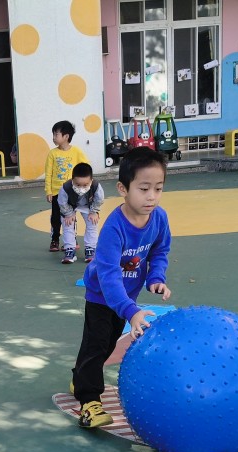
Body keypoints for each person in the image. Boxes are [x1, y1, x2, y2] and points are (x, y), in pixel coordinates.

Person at [69, 147, 171, 429]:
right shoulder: (114, 228)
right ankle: (89, 401)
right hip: (102, 295)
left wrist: (155, 277)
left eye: (158, 188)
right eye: (144, 189)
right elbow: (109, 275)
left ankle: (81, 377)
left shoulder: (159, 218)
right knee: (96, 345)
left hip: (126, 298)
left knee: (108, 344)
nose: (151, 196)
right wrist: (130, 310)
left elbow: (160, 251)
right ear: (123, 189)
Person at [44, 120, 88, 253]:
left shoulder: (76, 152)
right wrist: (48, 191)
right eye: (53, 134)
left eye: (56, 134)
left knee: (70, 216)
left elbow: (85, 168)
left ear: (66, 136)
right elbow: (48, 173)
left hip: (72, 192)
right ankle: (55, 240)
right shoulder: (52, 153)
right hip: (57, 192)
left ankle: (71, 240)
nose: (53, 137)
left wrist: (85, 186)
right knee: (56, 217)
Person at [57, 162, 104, 265]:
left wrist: (94, 212)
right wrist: (68, 214)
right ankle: (70, 250)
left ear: (91, 181)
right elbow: (62, 202)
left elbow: (99, 199)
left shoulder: (96, 186)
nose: (81, 188)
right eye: (78, 185)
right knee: (67, 224)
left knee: (92, 223)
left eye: (85, 185)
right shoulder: (66, 187)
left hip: (88, 206)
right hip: (70, 206)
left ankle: (91, 249)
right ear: (72, 180)